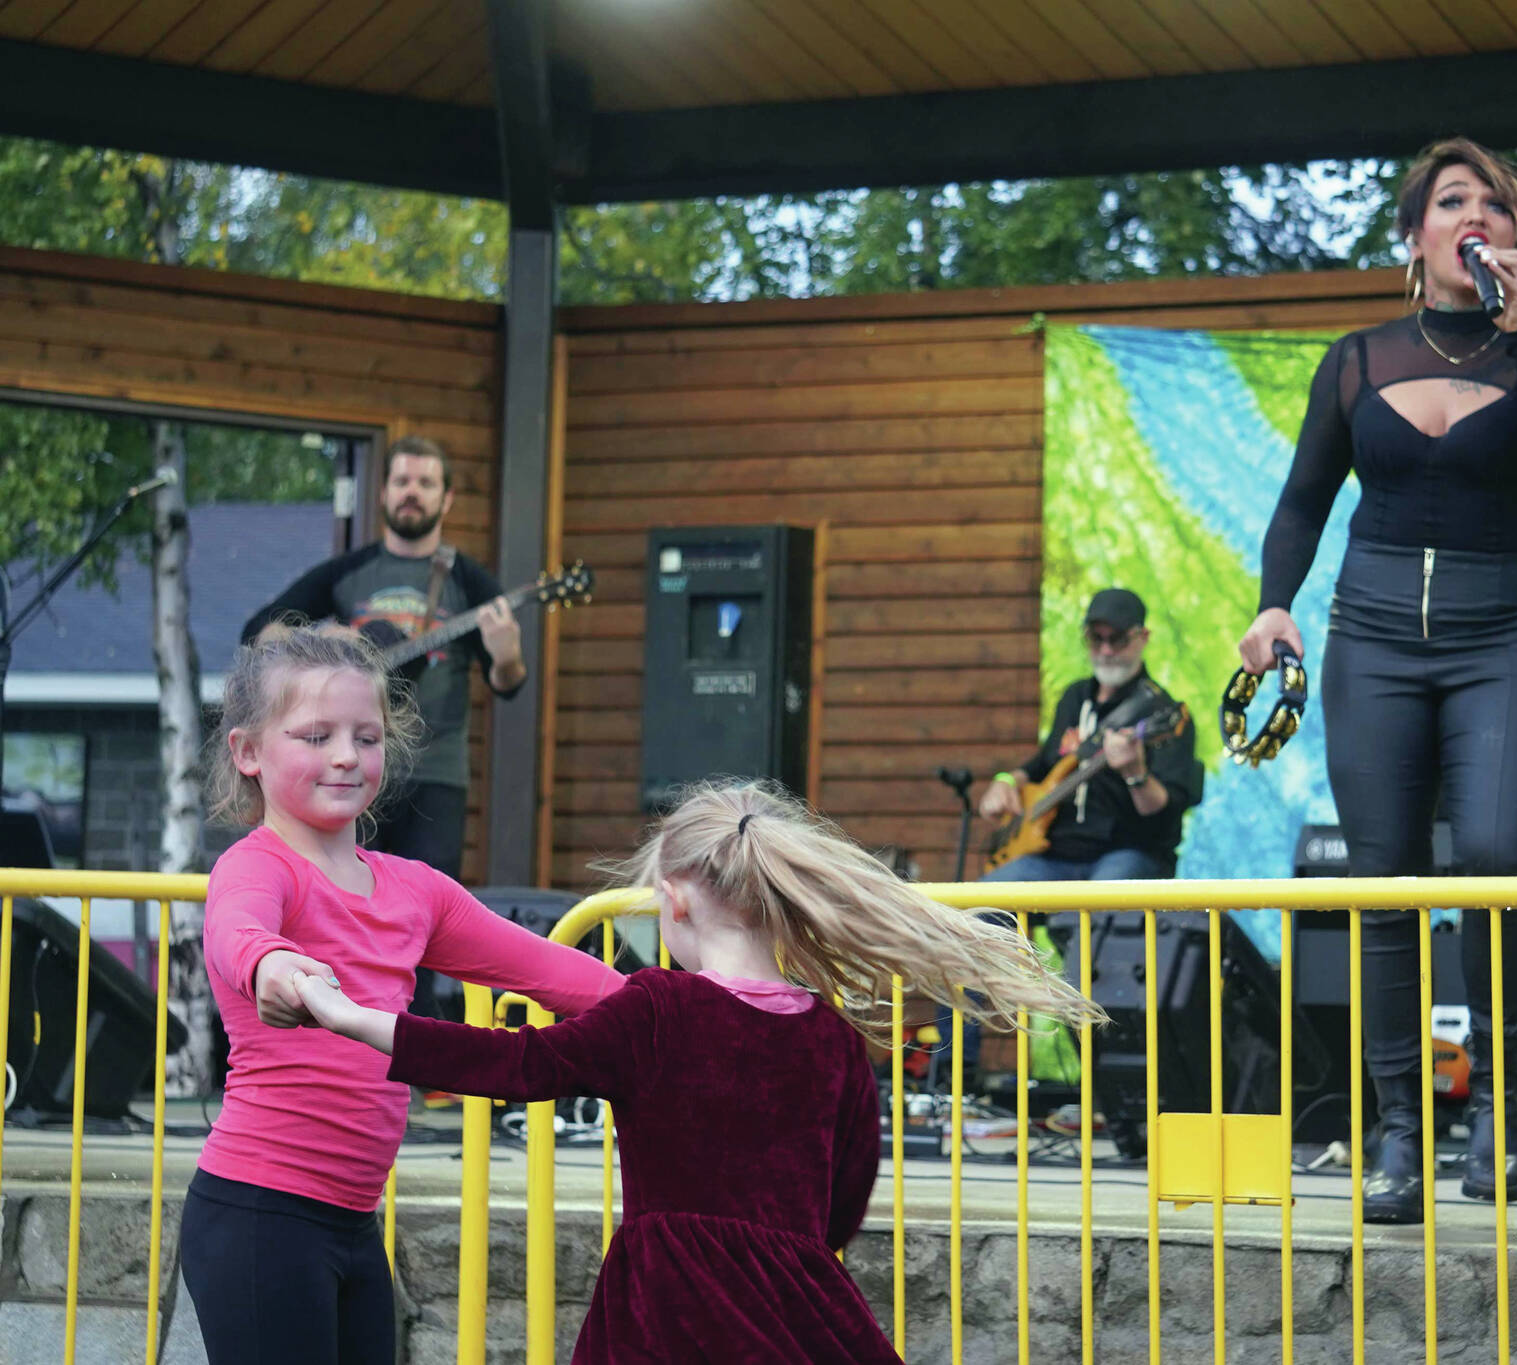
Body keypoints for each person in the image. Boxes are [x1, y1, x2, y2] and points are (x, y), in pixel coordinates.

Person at [290, 779, 1106, 1364]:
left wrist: (357, 1018)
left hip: (666, 1304)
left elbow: (516, 1063)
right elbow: (848, 1191)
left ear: (675, 900)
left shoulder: (656, 1009)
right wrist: (785, 1253)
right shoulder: (829, 1035)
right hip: (797, 1304)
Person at [1237, 138, 1517, 1224]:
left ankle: (1498, 1109)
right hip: (1374, 641)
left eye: (1495, 203)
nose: (1475, 214)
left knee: (1493, 861)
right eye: (1452, 200)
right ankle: (1398, 1131)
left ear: (1512, 239)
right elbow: (1303, 500)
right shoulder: (1355, 359)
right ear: (1414, 236)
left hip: (1504, 637)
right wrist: (1272, 602)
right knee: (1385, 880)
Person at [179, 623, 624, 1364]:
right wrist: (275, 967)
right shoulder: (258, 866)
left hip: (354, 1224)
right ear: (248, 751)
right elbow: (236, 931)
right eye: (316, 735)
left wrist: (691, 1009)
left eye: (367, 736)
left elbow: (556, 971)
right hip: (260, 1216)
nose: (347, 755)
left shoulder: (416, 890)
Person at [242, 434, 525, 884]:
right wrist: (331, 640)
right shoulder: (348, 572)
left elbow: (507, 685)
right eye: (403, 481)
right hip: (350, 765)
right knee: (345, 896)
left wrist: (508, 657)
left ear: (446, 498)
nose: (412, 491)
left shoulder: (469, 582)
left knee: (429, 908)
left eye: (426, 483)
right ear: (384, 492)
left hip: (436, 772)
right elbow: (259, 632)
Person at [976, 587, 1203, 882]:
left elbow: (1166, 816)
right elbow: (1043, 765)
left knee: (1107, 900)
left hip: (1128, 852)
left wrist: (1135, 774)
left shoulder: (1164, 713)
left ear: (1142, 637)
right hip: (1052, 855)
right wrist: (1005, 782)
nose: (1106, 651)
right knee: (981, 904)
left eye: (1117, 639)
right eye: (1096, 639)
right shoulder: (1074, 697)